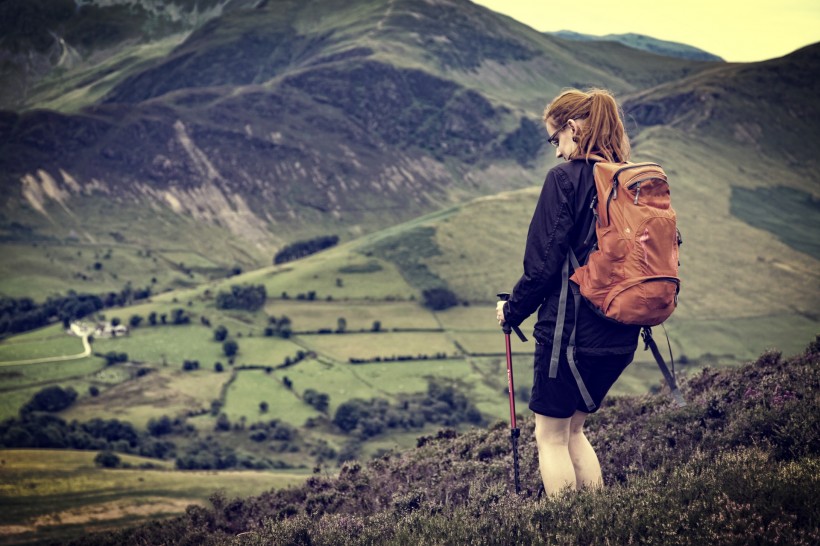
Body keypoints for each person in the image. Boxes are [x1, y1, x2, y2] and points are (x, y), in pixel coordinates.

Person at [495, 88, 641, 496]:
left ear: (574, 129)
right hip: (621, 333)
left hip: (569, 338)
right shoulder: (626, 180)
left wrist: (511, 310)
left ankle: (567, 530)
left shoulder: (565, 180)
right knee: (574, 430)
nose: (557, 152)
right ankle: (595, 522)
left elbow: (541, 266)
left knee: (551, 437)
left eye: (555, 139)